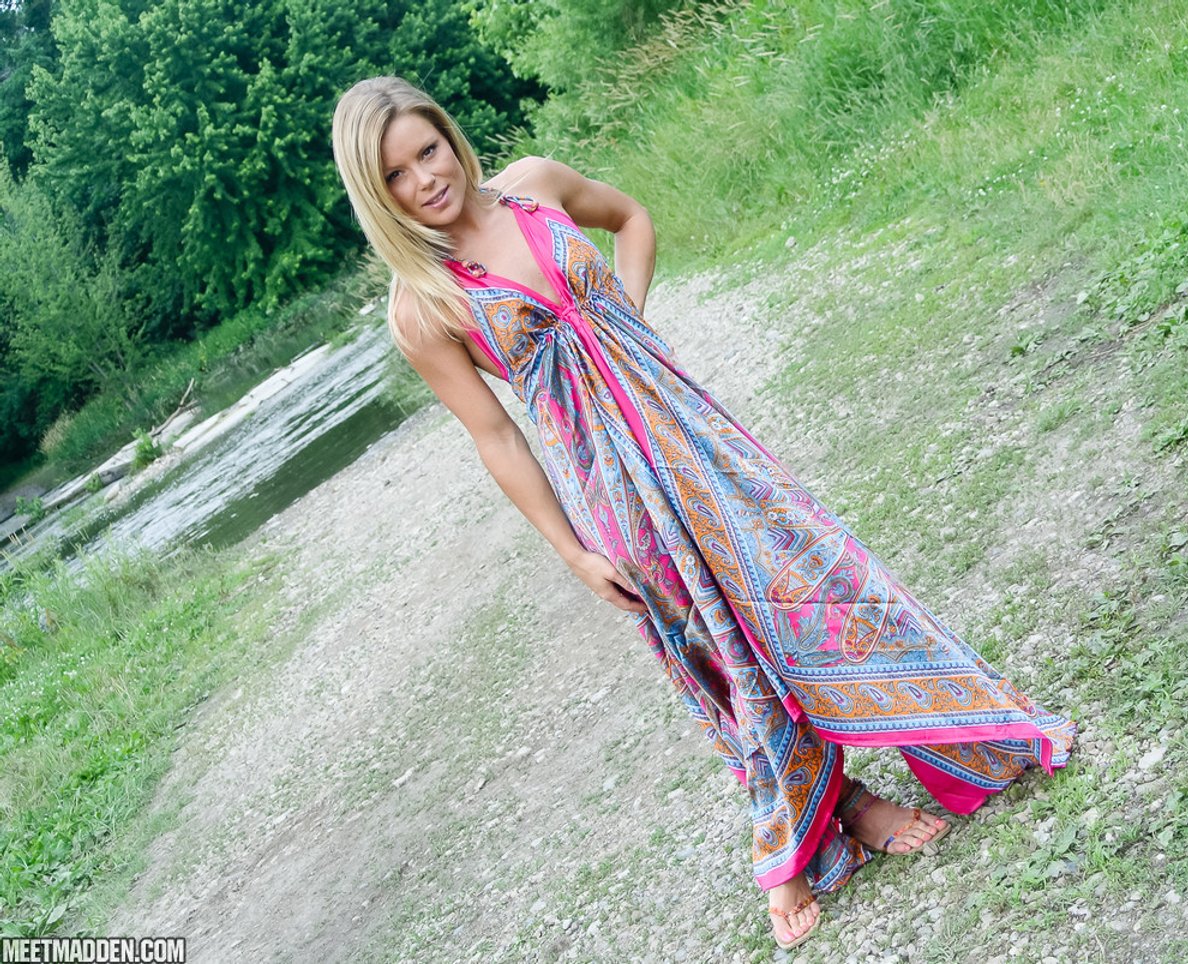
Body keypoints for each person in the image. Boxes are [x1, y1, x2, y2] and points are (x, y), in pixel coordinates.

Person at [331, 75, 1078, 950]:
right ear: (376, 194)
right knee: (720, 648)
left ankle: (963, 729)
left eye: (428, 150)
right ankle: (826, 824)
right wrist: (573, 552)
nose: (426, 177)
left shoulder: (533, 184)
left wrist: (627, 316)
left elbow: (630, 218)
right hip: (614, 489)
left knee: (813, 575)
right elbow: (495, 436)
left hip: (692, 431)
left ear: (449, 136)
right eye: (397, 174)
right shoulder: (423, 305)